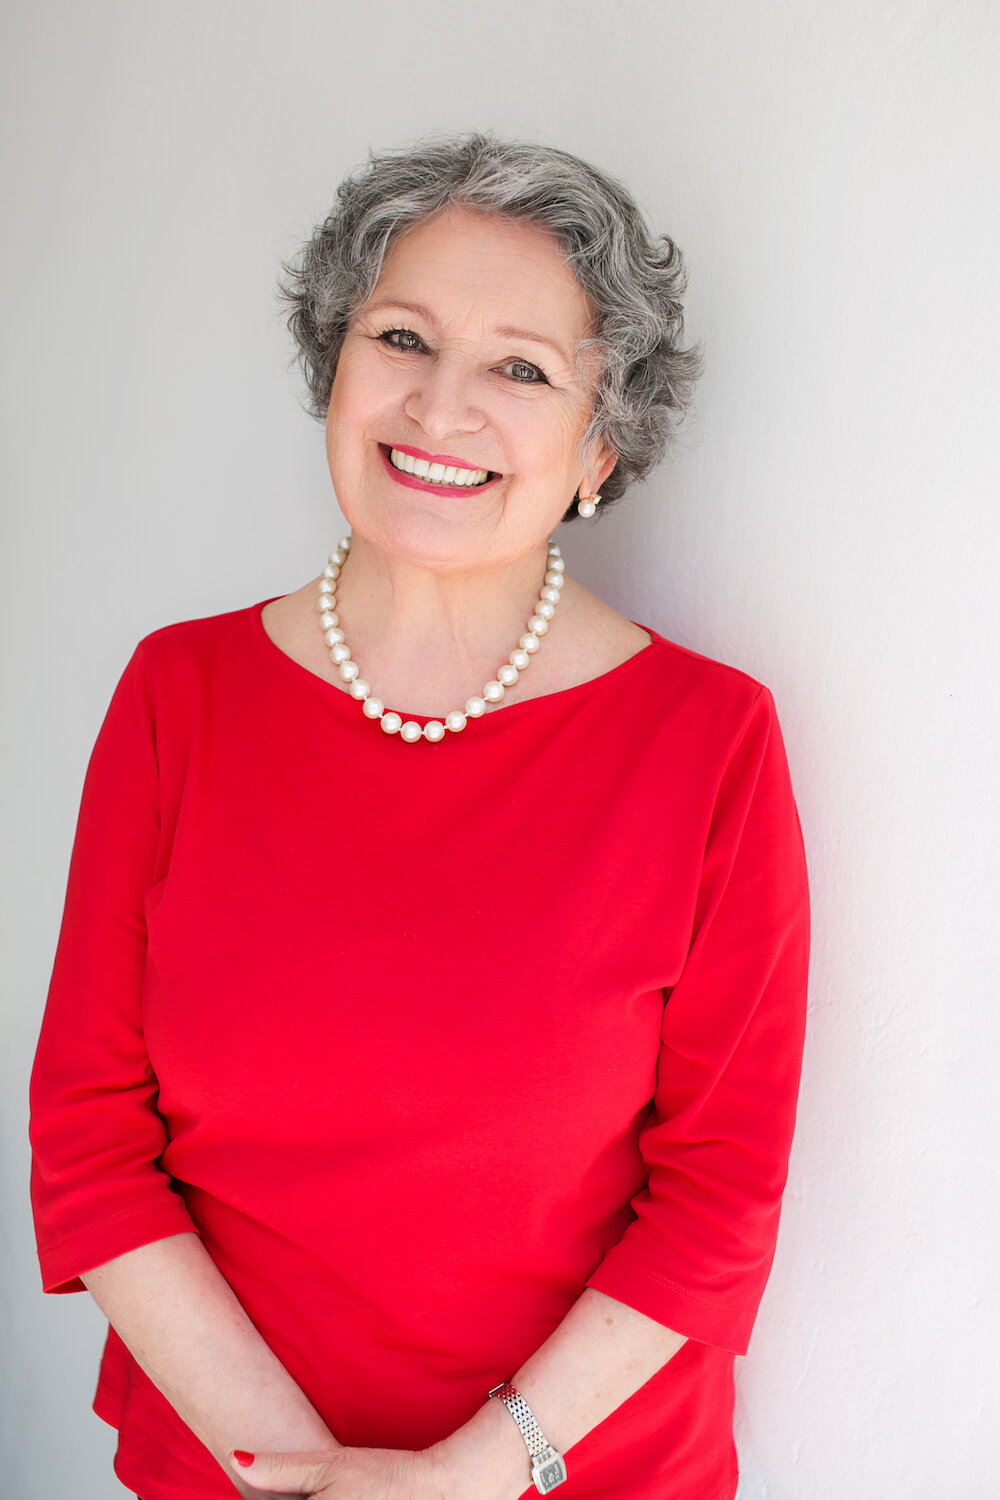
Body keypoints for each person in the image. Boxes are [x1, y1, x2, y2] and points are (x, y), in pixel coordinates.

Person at [28, 130, 810, 1500]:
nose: (440, 408)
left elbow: (717, 1199)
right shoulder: (177, 695)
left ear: (600, 445)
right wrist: (294, 1476)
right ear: (332, 369)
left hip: (584, 1475)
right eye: (401, 338)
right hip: (226, 1464)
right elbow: (92, 1138)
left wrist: (463, 1477)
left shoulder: (710, 742)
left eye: (522, 369)